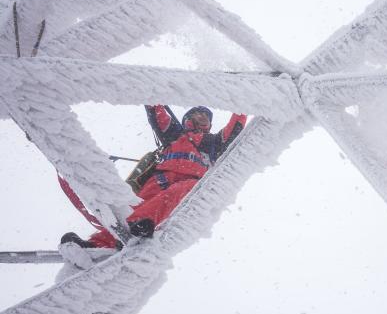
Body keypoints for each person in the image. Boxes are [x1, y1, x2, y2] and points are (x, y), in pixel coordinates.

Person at [61, 105, 247, 249]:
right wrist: (152, 90)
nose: (201, 118)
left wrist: (242, 102)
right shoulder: (173, 134)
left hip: (188, 183)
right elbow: (155, 109)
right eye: (197, 115)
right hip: (159, 179)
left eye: (206, 117)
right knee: (133, 208)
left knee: (178, 193)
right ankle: (98, 244)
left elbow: (235, 126)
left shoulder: (213, 142)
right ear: (187, 119)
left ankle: (141, 226)